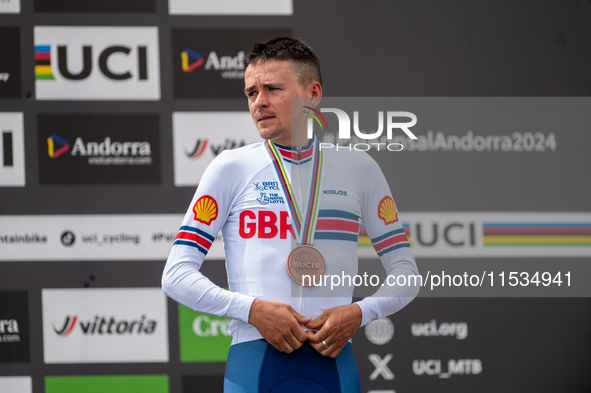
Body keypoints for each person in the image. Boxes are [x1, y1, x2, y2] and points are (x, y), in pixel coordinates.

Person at [162, 36, 419, 393]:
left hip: (335, 365)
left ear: (312, 94)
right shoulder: (230, 168)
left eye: (272, 89)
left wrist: (360, 312)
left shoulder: (359, 168)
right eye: (251, 92)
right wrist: (251, 310)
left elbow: (406, 273)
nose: (259, 103)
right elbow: (175, 275)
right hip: (255, 365)